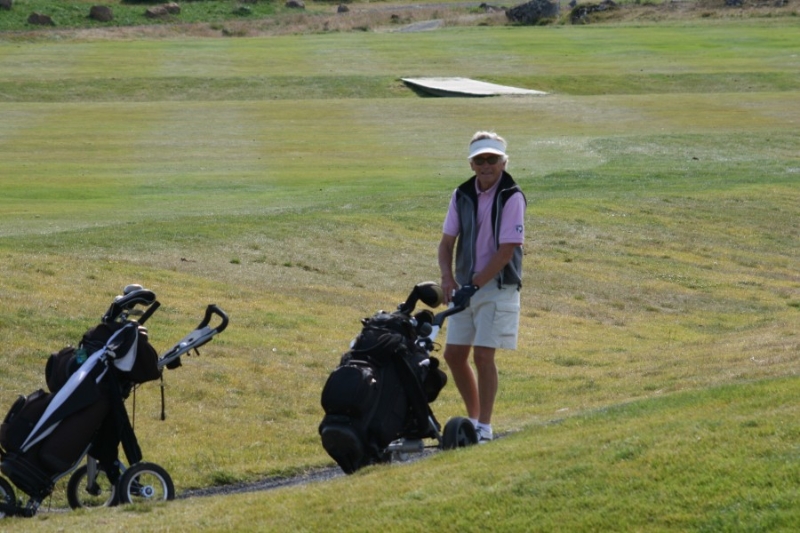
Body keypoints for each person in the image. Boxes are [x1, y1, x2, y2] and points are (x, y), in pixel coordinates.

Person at [438, 131, 526, 443]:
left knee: (483, 356)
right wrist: (448, 278)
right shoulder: (461, 194)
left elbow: (506, 252)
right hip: (466, 285)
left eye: (492, 159)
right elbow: (446, 243)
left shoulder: (511, 195)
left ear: (503, 162)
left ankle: (485, 427)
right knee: (453, 354)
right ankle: (473, 420)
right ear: (471, 164)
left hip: (496, 285)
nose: (486, 165)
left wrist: (473, 285)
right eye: (480, 160)